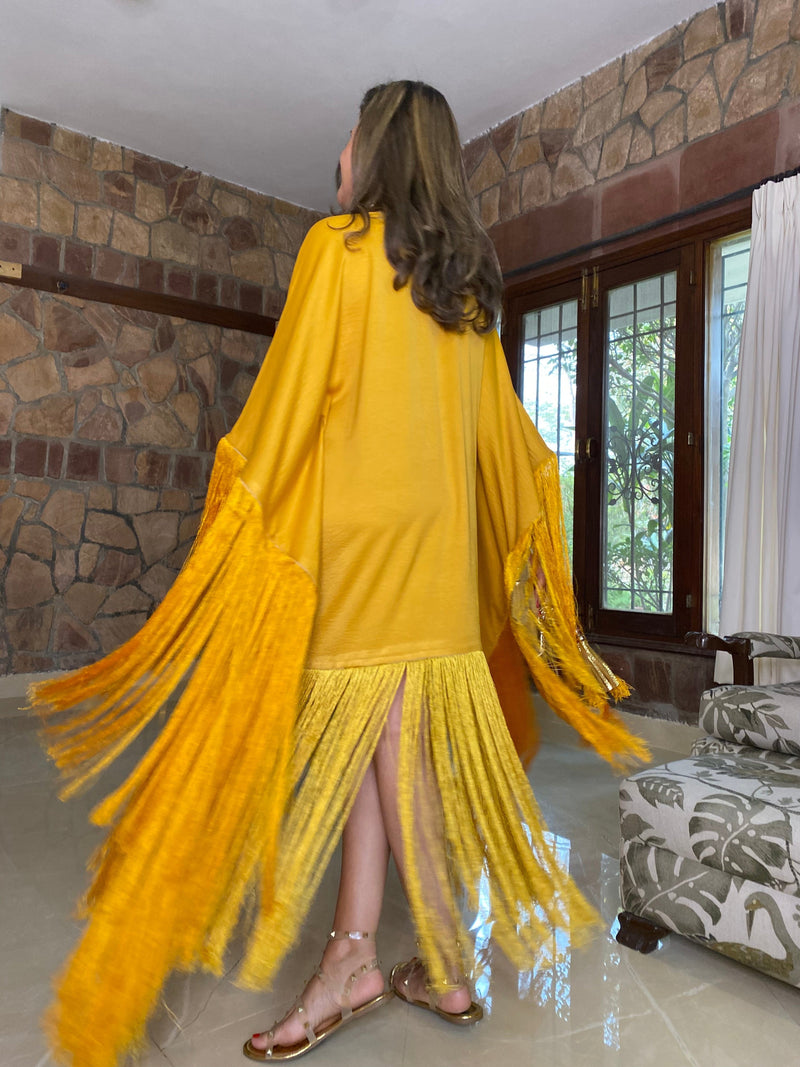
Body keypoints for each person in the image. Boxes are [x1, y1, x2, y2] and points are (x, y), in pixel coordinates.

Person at [33, 81, 647, 1067]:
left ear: (381, 147)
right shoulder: (466, 295)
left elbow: (288, 404)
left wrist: (239, 503)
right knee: (377, 752)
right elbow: (499, 444)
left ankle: (438, 960)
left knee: (389, 755)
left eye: (352, 133)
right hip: (434, 566)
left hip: (361, 561)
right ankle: (362, 956)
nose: (340, 147)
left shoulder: (337, 248)